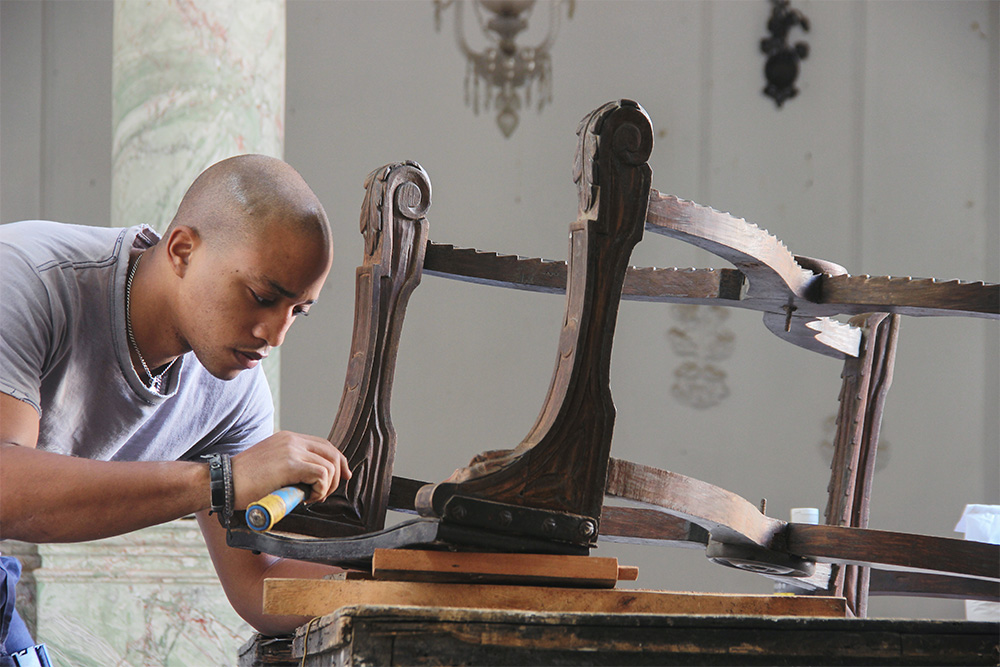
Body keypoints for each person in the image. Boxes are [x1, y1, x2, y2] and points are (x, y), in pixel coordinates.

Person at [0, 154, 353, 659]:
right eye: (260, 295)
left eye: (297, 310)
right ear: (183, 250)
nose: (275, 334)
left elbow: (261, 584)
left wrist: (409, 568)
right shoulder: (27, 277)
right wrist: (219, 481)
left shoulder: (235, 392)